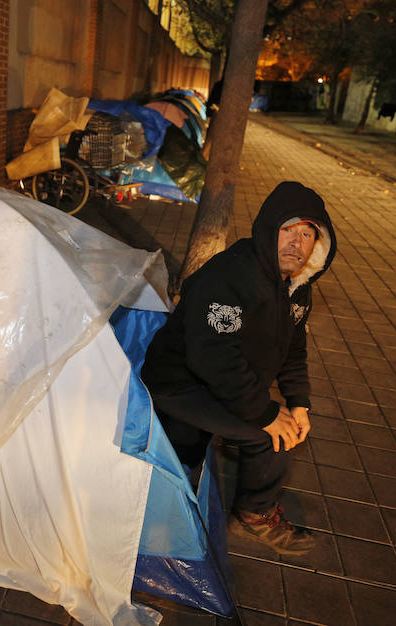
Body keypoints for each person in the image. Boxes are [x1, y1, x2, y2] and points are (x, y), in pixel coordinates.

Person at [140, 181, 337, 556]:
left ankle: (249, 505)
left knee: (284, 424)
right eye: (288, 231)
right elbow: (213, 357)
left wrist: (299, 402)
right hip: (180, 383)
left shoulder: (296, 285)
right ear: (267, 231)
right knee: (269, 434)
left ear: (319, 244)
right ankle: (250, 515)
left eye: (308, 234)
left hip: (221, 382)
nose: (297, 244)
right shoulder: (230, 276)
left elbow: (294, 349)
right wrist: (262, 413)